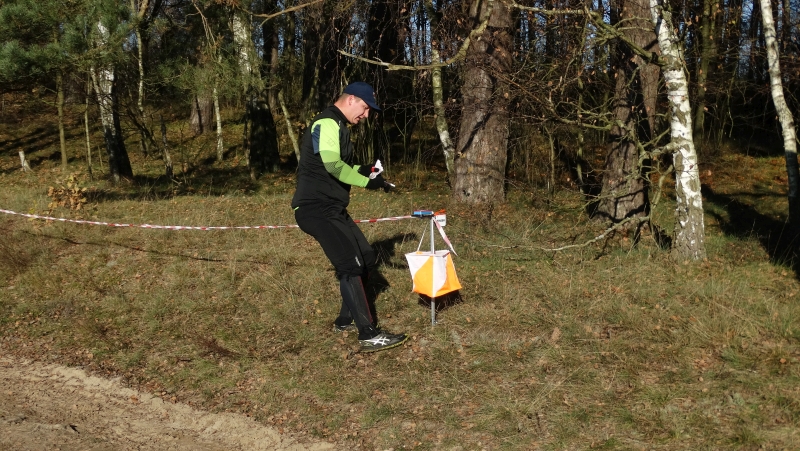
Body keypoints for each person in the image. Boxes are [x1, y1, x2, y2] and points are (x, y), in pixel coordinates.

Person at [291, 82, 408, 353]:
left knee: (365, 257)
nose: (366, 115)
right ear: (351, 99)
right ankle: (368, 334)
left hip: (332, 209)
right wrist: (368, 183)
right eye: (365, 108)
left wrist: (366, 171)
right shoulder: (326, 123)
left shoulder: (338, 127)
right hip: (316, 209)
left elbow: (340, 164)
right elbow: (333, 166)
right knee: (350, 264)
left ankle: (346, 319)